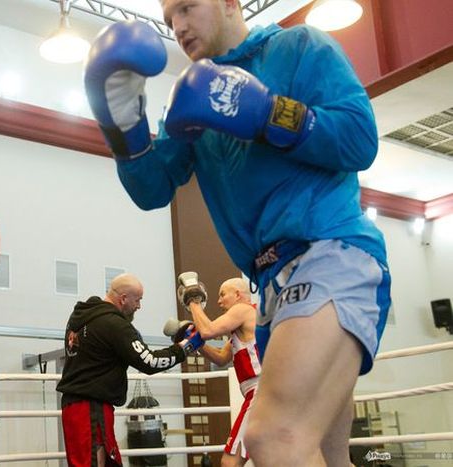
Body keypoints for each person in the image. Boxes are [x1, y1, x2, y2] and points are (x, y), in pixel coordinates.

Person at [83, 1, 392, 466]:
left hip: (331, 251)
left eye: (187, 7)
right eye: (169, 19)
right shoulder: (190, 99)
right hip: (271, 283)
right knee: (326, 452)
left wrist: (266, 112)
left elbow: (359, 139)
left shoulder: (298, 46)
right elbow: (150, 189)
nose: (178, 26)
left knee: (273, 437)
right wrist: (121, 123)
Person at [56, 273, 203, 467]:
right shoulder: (114, 324)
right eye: (137, 300)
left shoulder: (82, 316)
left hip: (76, 405)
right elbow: (149, 362)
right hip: (91, 407)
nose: (139, 306)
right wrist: (186, 347)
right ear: (123, 298)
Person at [180, 276, 261, 467]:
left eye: (223, 294)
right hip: (265, 392)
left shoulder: (243, 310)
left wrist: (193, 299)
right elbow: (221, 357)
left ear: (238, 295)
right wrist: (194, 342)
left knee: (230, 463)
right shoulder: (243, 326)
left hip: (260, 392)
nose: (219, 301)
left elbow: (207, 330)